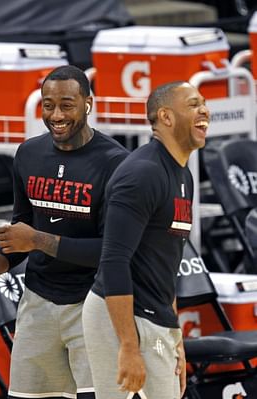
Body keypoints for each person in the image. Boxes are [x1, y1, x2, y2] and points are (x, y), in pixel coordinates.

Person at [0, 65, 129, 399]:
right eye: (48, 105)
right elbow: (21, 233)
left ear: (88, 103)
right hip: (38, 300)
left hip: (93, 303)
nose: (56, 115)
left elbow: (113, 251)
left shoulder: (116, 163)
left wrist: (38, 240)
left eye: (67, 105)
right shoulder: (29, 154)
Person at [82, 81, 210, 399]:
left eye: (204, 103)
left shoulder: (184, 175)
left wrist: (174, 334)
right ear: (166, 117)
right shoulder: (142, 174)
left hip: (154, 315)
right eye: (194, 104)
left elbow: (165, 262)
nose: (205, 110)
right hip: (123, 317)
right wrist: (127, 346)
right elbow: (113, 262)